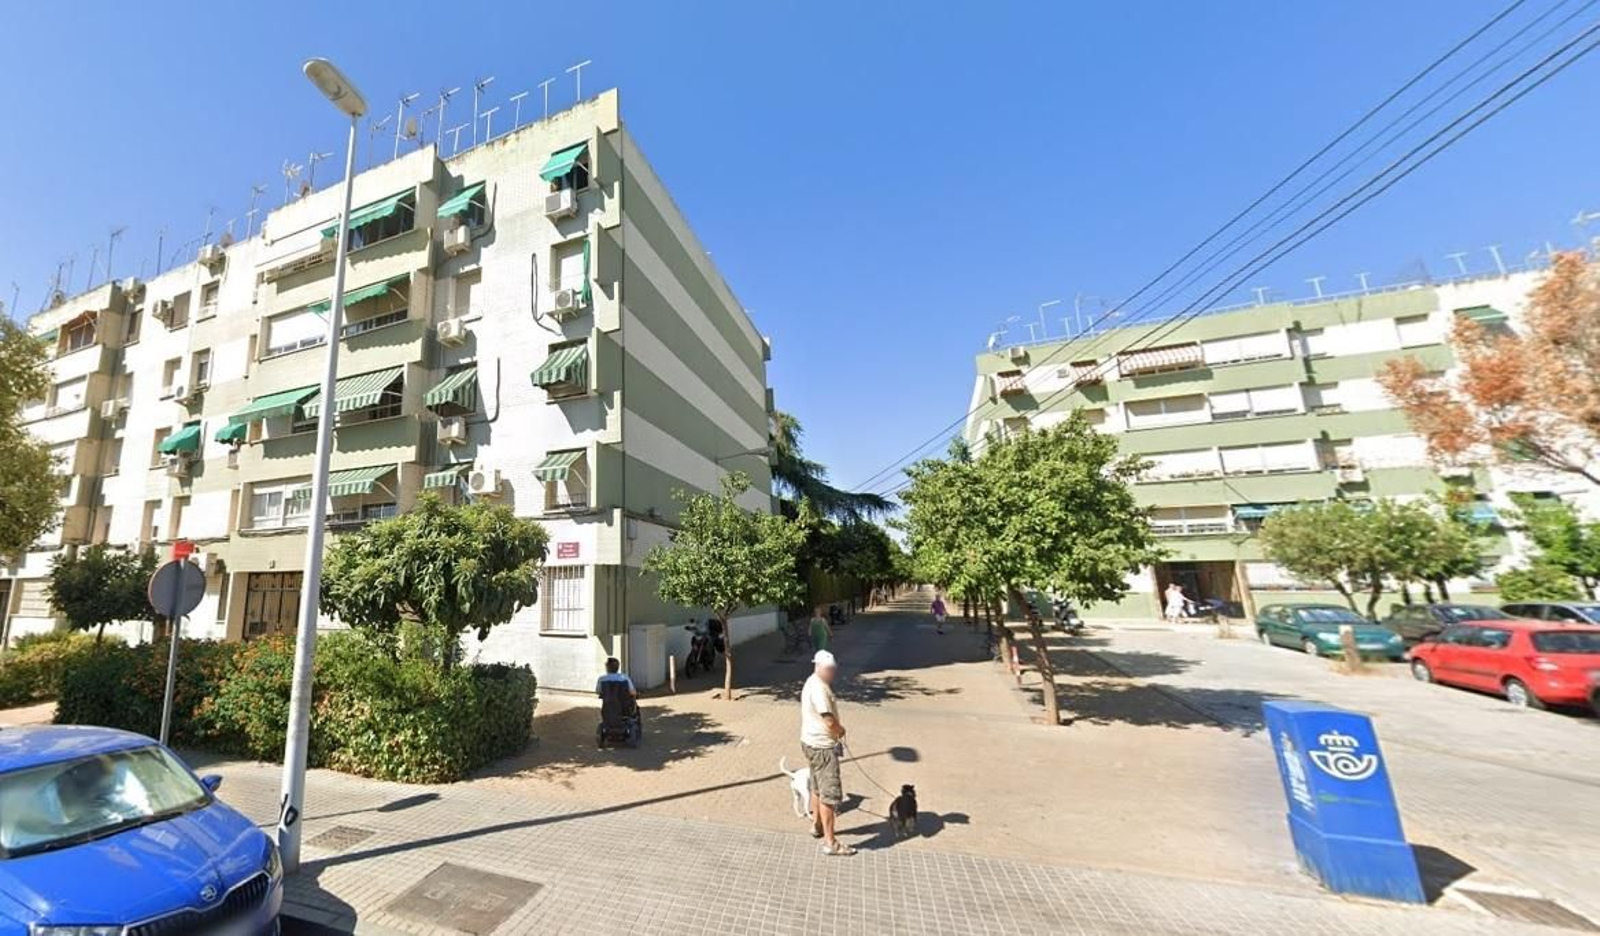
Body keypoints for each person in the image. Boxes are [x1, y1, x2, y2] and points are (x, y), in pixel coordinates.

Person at [800, 650, 853, 856]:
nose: (833, 673)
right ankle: (830, 842)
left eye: (833, 669)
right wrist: (840, 731)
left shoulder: (812, 681)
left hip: (809, 743)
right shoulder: (820, 688)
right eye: (829, 669)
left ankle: (817, 826)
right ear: (818, 667)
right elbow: (829, 720)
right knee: (829, 795)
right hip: (822, 747)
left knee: (816, 787)